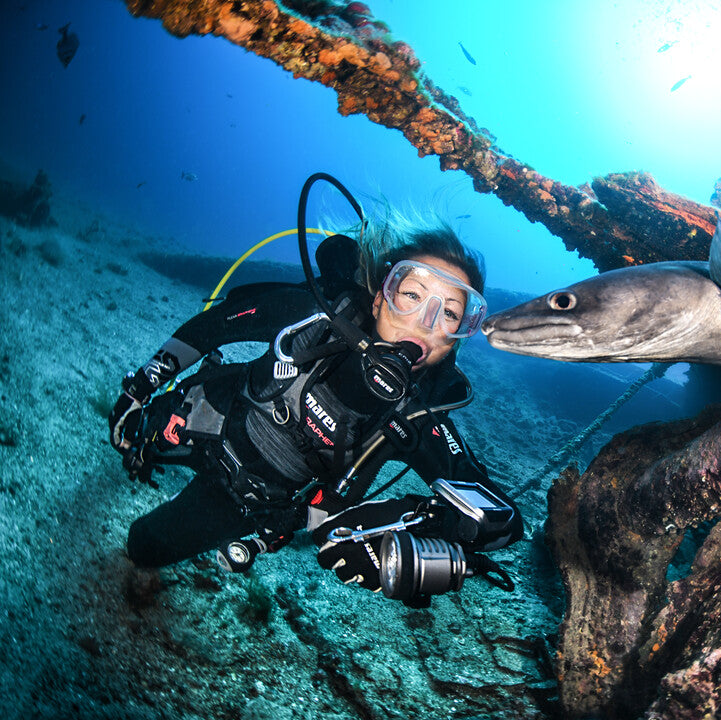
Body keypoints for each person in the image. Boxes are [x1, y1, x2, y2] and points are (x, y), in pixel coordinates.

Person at [108, 205, 521, 601]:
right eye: (411, 294)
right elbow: (214, 325)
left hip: (246, 499)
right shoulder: (314, 317)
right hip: (202, 415)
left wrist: (418, 518)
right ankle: (146, 444)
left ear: (455, 340)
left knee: (143, 547)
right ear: (379, 297)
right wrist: (142, 386)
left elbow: (503, 519)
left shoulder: (418, 415)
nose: (425, 322)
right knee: (130, 440)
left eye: (450, 313)